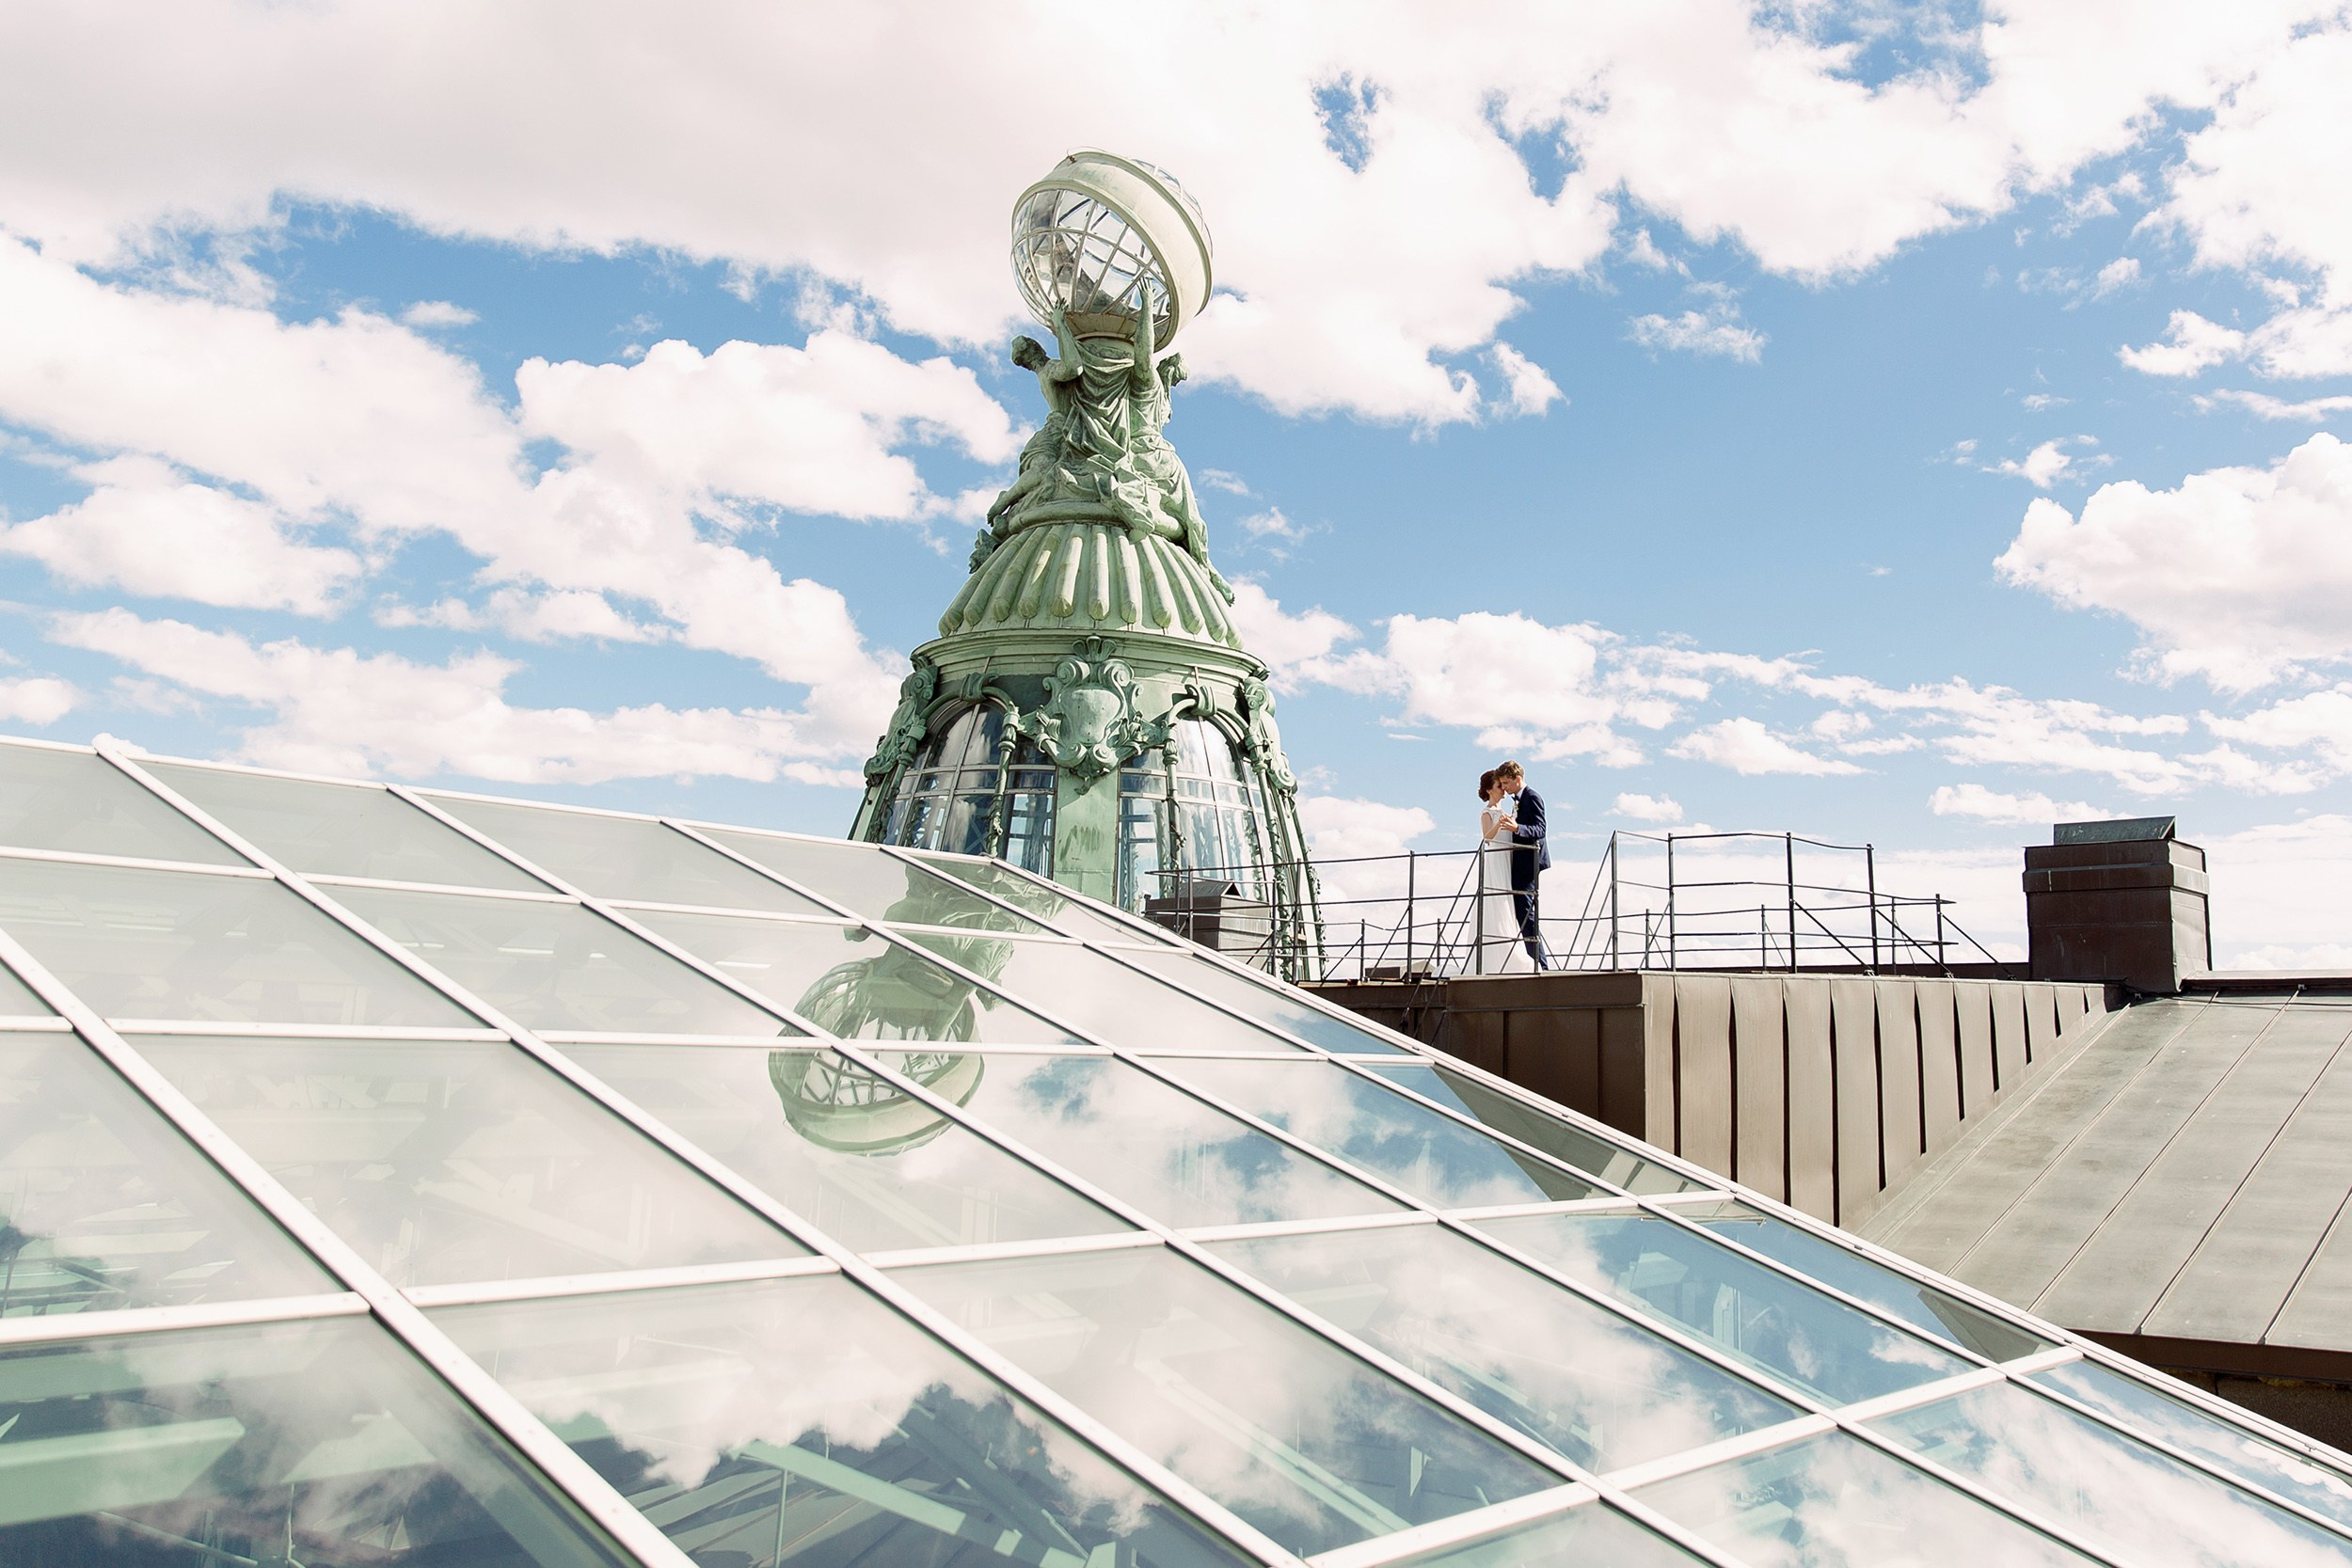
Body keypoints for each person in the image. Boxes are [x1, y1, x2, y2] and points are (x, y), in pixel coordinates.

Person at [1476, 769, 1534, 974]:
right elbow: (1487, 839)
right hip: (1496, 861)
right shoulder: (1487, 812)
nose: (1503, 789)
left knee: (1509, 904)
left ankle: (1510, 950)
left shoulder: (1507, 812)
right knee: (1497, 904)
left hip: (1508, 860)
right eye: (1499, 786)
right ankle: (1497, 955)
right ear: (1489, 790)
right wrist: (1499, 824)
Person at [1494, 760, 1549, 970]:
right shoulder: (1519, 799)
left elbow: (1540, 829)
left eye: (1507, 783)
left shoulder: (1532, 797)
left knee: (1527, 913)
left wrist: (1517, 827)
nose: (1505, 788)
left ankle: (1540, 965)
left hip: (1529, 863)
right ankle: (1535, 962)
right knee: (1523, 913)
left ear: (1518, 780)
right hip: (1521, 862)